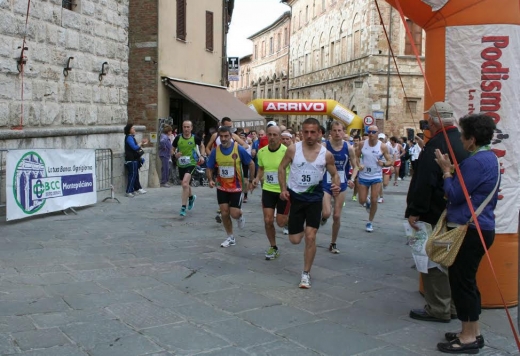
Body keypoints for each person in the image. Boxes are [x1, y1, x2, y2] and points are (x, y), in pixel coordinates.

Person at [434, 114, 499, 354]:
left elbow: (454, 194)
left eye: (462, 136)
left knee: (462, 283)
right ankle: (473, 330)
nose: (460, 140)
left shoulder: (476, 162)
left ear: (471, 139)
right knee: (468, 281)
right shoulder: (489, 158)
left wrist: (446, 172)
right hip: (480, 228)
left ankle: (468, 337)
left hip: (471, 231)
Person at [407, 102, 469, 323]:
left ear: (433, 121)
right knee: (451, 261)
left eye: (429, 121)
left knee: (432, 260)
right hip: (458, 212)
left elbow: (424, 182)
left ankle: (438, 307)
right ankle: (451, 306)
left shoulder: (437, 144)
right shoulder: (462, 143)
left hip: (434, 213)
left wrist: (415, 210)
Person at [278, 118, 340, 289]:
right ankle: (300, 226)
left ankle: (305, 274)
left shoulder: (326, 154)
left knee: (311, 236)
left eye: (313, 132)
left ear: (320, 133)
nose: (309, 135)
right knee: (295, 240)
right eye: (306, 132)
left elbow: (334, 174)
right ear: (301, 133)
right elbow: (281, 167)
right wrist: (283, 188)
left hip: (314, 200)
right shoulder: (293, 149)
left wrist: (335, 185)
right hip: (296, 199)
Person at [206, 126, 255, 247]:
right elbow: (209, 167)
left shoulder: (238, 149)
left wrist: (251, 180)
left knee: (234, 213)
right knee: (224, 213)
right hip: (221, 187)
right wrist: (210, 179)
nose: (223, 139)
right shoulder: (215, 151)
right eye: (221, 136)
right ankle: (230, 237)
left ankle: (240, 216)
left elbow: (251, 163)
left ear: (231, 136)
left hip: (236, 187)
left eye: (226, 136)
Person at [251, 125, 289, 260]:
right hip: (268, 189)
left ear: (279, 137)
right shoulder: (261, 152)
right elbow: (261, 168)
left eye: (275, 135)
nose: (272, 138)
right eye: (270, 135)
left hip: (283, 191)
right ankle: (273, 247)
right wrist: (256, 179)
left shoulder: (287, 151)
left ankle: (289, 220)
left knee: (280, 222)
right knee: (268, 220)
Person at [320, 121, 357, 254]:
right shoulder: (324, 146)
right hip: (326, 182)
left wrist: (352, 179)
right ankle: (323, 216)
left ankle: (333, 243)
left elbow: (356, 165)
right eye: (334, 130)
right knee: (326, 213)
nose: (337, 133)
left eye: (339, 130)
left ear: (344, 132)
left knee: (336, 215)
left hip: (341, 183)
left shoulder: (349, 147)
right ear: (330, 132)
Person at [356, 125, 393, 232]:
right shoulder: (362, 144)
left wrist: (384, 163)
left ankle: (369, 222)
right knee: (361, 201)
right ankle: (366, 202)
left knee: (374, 200)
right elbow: (356, 156)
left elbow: (390, 161)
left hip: (376, 176)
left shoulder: (383, 146)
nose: (371, 134)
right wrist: (359, 165)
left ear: (377, 133)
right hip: (363, 176)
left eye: (373, 132)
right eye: (369, 132)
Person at [172, 120, 205, 217]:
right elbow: (172, 149)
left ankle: (183, 207)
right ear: (182, 127)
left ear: (191, 128)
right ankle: (191, 197)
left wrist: (202, 156)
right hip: (181, 164)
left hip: (191, 163)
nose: (186, 129)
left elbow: (202, 145)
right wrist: (175, 154)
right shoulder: (178, 138)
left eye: (188, 127)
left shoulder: (195, 138)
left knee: (185, 183)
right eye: (184, 127)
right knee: (185, 185)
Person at [123, 123, 148, 197]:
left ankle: (136, 188)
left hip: (134, 159)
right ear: (129, 130)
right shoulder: (129, 138)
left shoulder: (131, 137)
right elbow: (134, 147)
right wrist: (141, 143)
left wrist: (142, 143)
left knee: (135, 175)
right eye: (132, 128)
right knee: (132, 175)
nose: (134, 129)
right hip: (131, 159)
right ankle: (128, 191)